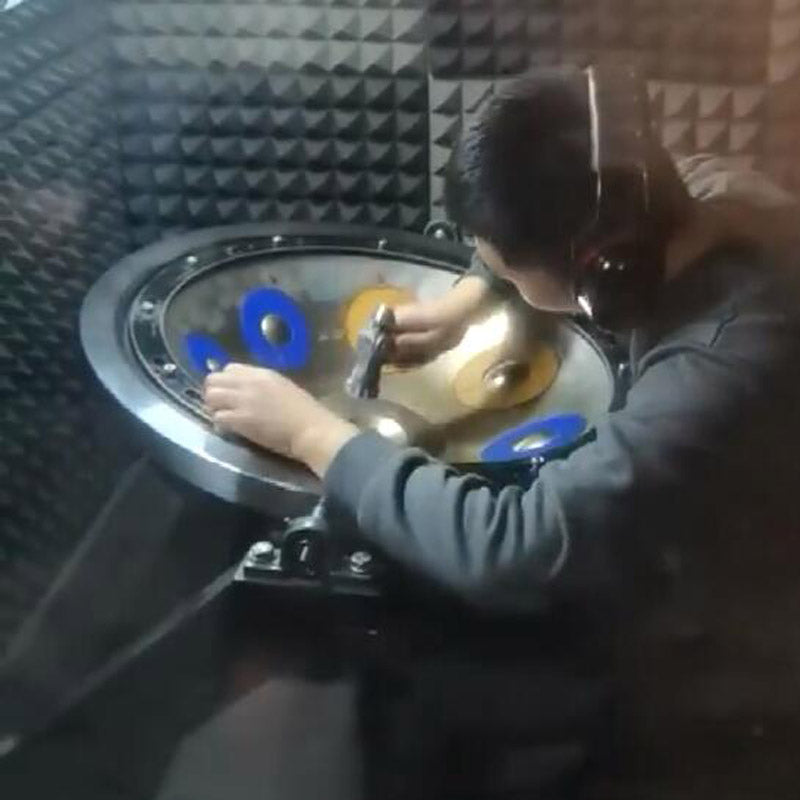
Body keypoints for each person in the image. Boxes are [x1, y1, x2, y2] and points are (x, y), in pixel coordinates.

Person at [203, 69, 800, 796]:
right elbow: (615, 217)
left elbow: (517, 544)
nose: (500, 278)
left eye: (506, 268)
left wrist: (313, 435)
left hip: (741, 665)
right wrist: (467, 302)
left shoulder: (722, 363)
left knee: (417, 664)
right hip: (712, 549)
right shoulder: (702, 199)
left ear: (601, 269)